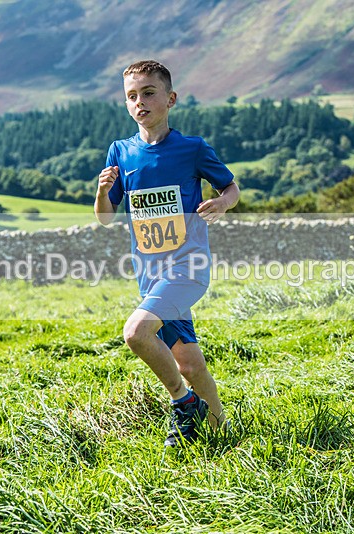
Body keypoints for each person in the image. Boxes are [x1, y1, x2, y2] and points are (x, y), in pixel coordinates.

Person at [94, 60, 240, 447]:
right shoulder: (120, 152)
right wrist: (101, 192)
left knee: (136, 332)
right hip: (151, 276)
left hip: (188, 268)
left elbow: (231, 187)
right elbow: (105, 219)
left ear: (170, 99)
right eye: (131, 96)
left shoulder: (192, 149)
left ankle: (183, 401)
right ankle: (223, 434)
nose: (139, 101)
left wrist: (222, 204)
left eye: (148, 92)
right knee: (189, 363)